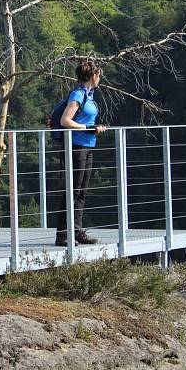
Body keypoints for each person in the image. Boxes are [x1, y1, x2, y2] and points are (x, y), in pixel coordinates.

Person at [55, 60, 108, 246]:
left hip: (87, 146)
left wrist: (94, 129)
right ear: (93, 76)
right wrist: (88, 128)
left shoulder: (88, 95)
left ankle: (77, 231)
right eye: (99, 75)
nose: (99, 78)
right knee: (72, 190)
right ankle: (62, 235)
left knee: (81, 192)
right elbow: (65, 121)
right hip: (76, 147)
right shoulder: (78, 94)